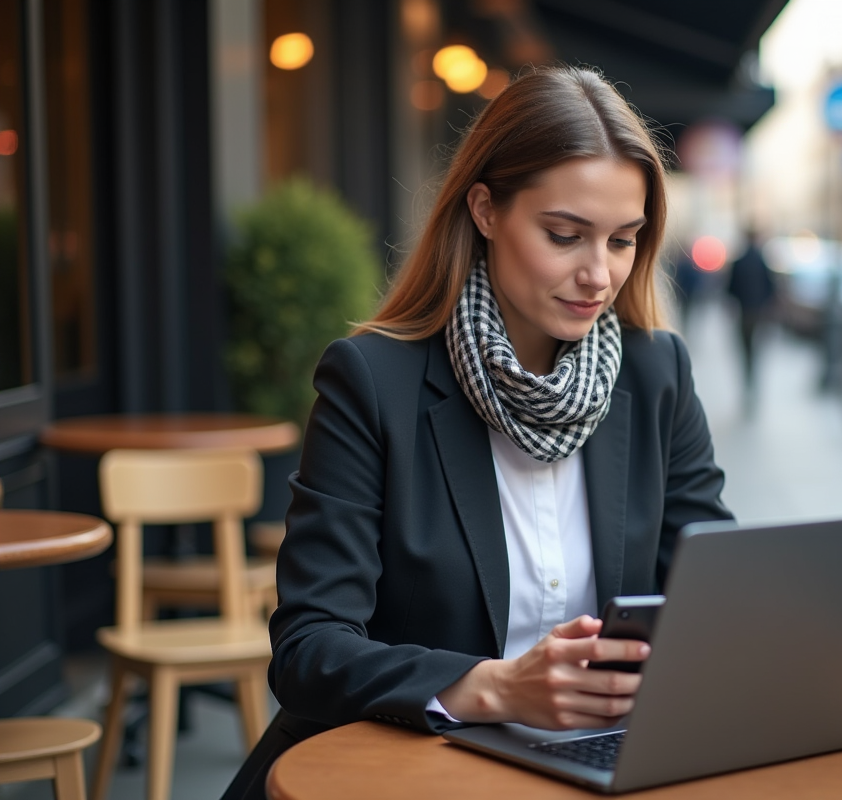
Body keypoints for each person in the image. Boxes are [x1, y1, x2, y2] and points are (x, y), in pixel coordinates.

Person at [219, 66, 732, 800]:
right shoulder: (372, 379)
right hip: (409, 769)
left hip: (600, 766)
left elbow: (712, 586)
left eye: (623, 240)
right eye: (564, 235)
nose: (598, 274)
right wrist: (492, 688)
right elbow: (309, 649)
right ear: (486, 210)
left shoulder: (655, 374)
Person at [726, 228, 776, 408]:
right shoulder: (762, 261)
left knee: (746, 351)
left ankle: (748, 384)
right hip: (759, 314)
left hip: (744, 313)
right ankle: (753, 384)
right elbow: (771, 287)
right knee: (756, 352)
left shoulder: (739, 262)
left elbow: (730, 288)